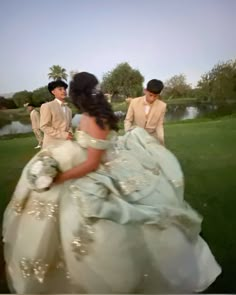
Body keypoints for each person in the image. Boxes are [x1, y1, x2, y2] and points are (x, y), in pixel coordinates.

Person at [3, 72, 221, 294]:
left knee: (115, 215)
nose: (67, 94)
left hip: (103, 167)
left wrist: (60, 177)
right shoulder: (92, 113)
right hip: (95, 159)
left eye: (72, 91)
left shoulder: (97, 118)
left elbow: (91, 163)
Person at [124, 79, 166, 145]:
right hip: (136, 137)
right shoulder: (134, 102)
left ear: (158, 95)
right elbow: (128, 120)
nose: (152, 99)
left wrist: (161, 141)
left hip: (152, 139)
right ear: (145, 91)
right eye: (150, 95)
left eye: (155, 96)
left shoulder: (162, 106)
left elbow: (159, 125)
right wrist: (128, 134)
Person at [40, 80, 73, 148]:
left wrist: (70, 133)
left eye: (64, 89)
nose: (64, 91)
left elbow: (69, 125)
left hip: (66, 145)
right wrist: (64, 135)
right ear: (53, 92)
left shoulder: (69, 109)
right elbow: (44, 126)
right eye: (60, 89)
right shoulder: (47, 106)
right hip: (52, 145)